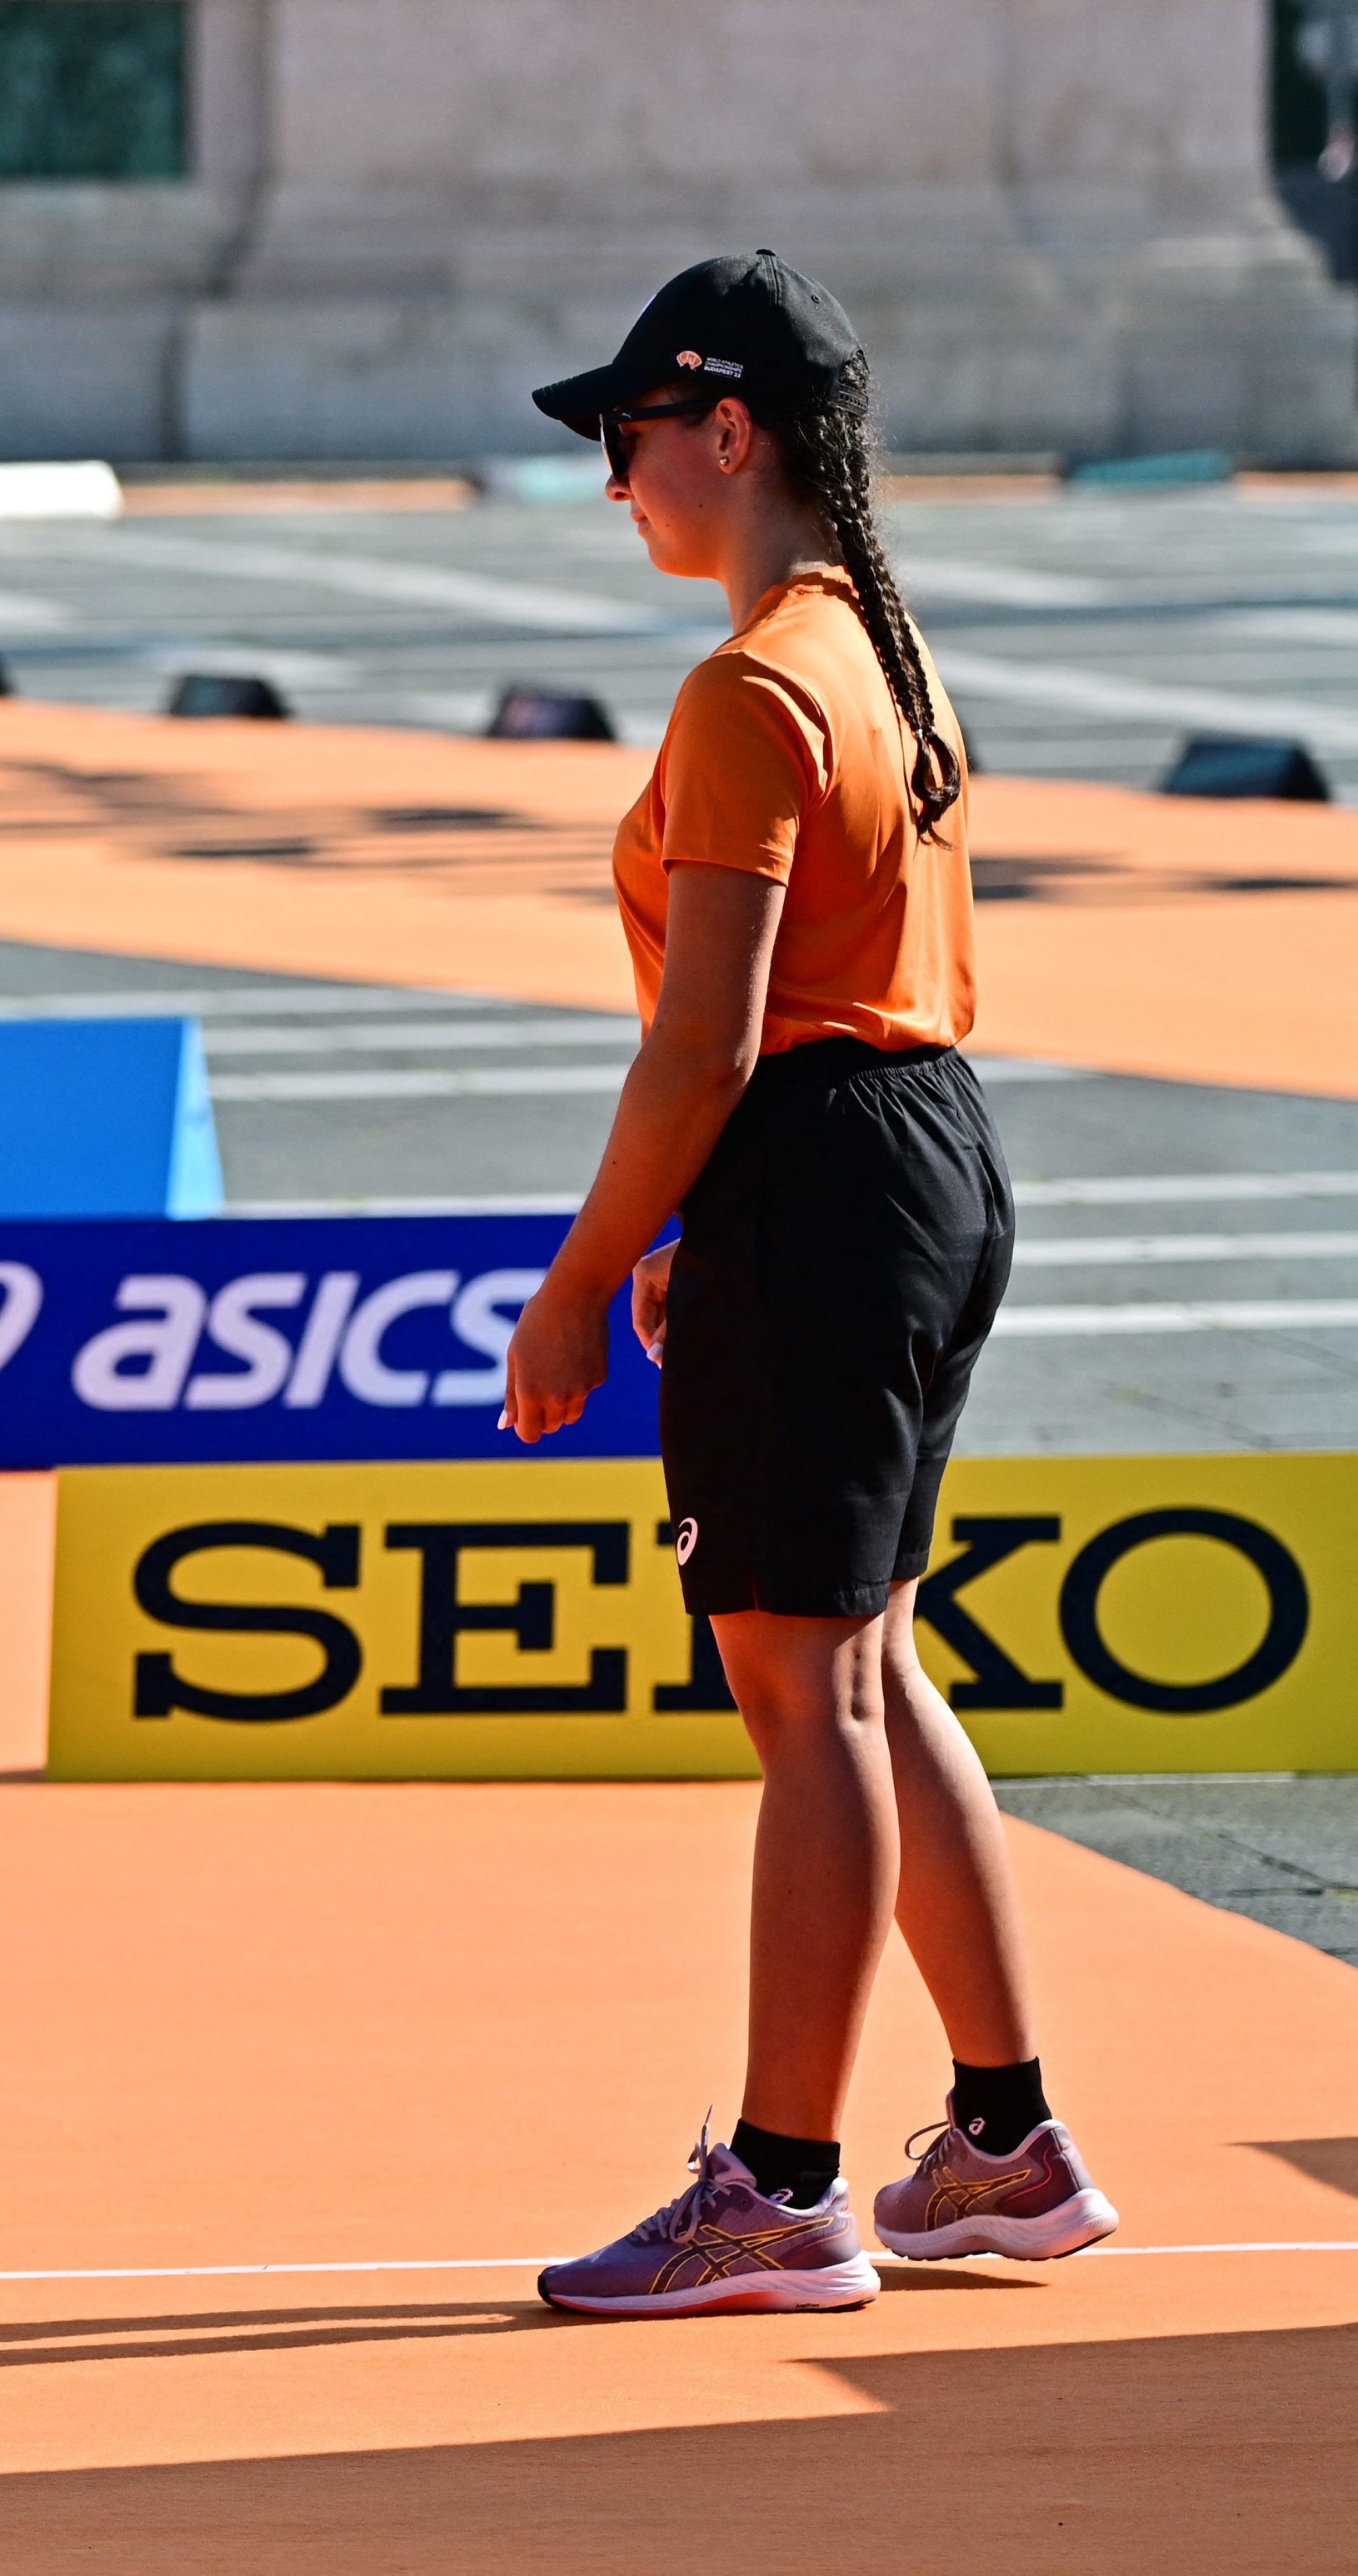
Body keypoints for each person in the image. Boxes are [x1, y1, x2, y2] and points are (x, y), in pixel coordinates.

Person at [502, 253, 1116, 2317]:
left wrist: (587, 1267)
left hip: (825, 1164)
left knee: (797, 1684)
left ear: (725, 429)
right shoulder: (875, 648)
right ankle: (1003, 2135)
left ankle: (779, 2184)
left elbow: (704, 1032)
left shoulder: (754, 682)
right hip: (918, 1152)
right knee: (861, 1661)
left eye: (627, 439)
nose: (614, 483)